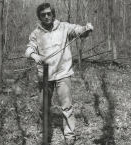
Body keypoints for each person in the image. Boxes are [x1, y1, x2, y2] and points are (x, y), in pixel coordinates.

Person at [25, 3, 93, 145]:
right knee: (43, 107)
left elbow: (80, 31)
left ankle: (69, 135)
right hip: (44, 75)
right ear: (40, 17)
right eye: (43, 14)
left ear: (53, 14)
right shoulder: (36, 33)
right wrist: (35, 56)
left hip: (63, 73)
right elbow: (28, 50)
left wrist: (87, 28)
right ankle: (44, 135)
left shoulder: (64, 27)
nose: (46, 16)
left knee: (67, 106)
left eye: (49, 13)